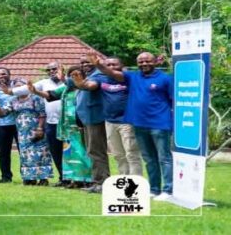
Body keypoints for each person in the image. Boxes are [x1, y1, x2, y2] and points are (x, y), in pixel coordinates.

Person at [91, 52, 173, 200]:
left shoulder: (165, 79)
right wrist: (98, 64)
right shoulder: (132, 77)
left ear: (155, 62)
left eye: (147, 61)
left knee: (164, 158)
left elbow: (174, 101)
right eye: (140, 61)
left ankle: (168, 190)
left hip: (160, 124)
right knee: (149, 158)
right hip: (139, 124)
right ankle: (154, 189)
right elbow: (111, 73)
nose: (144, 64)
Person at [75, 57, 143, 176]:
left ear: (121, 65)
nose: (111, 67)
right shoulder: (101, 78)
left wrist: (102, 66)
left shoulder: (128, 78)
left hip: (127, 121)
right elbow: (91, 85)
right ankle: (124, 180)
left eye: (114, 64)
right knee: (118, 155)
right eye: (108, 65)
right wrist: (82, 84)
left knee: (131, 153)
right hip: (110, 121)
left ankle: (136, 182)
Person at [31, 66, 93, 189]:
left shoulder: (85, 88)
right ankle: (73, 180)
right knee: (69, 155)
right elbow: (51, 95)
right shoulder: (66, 88)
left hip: (81, 126)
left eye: (77, 74)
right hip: (67, 128)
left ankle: (87, 180)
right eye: (71, 75)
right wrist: (35, 91)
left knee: (82, 154)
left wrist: (64, 78)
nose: (74, 77)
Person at [0, 82, 53, 185]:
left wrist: (40, 128)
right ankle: (29, 178)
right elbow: (3, 114)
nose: (19, 89)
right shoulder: (13, 100)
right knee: (26, 155)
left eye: (21, 87)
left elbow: (42, 114)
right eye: (16, 87)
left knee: (40, 153)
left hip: (36, 129)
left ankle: (43, 178)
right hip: (22, 133)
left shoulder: (35, 98)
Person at [69, 54, 110, 193]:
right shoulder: (87, 76)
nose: (85, 64)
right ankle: (97, 181)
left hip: (95, 119)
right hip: (87, 119)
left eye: (88, 62)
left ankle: (102, 182)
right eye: (82, 63)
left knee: (96, 151)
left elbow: (92, 86)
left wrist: (82, 84)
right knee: (91, 151)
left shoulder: (99, 75)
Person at [33, 62, 65, 186]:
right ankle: (63, 178)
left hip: (68, 123)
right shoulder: (44, 83)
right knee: (56, 152)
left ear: (61, 69)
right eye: (49, 70)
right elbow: (26, 89)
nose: (51, 71)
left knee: (70, 152)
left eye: (54, 69)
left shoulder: (68, 81)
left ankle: (76, 178)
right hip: (51, 123)